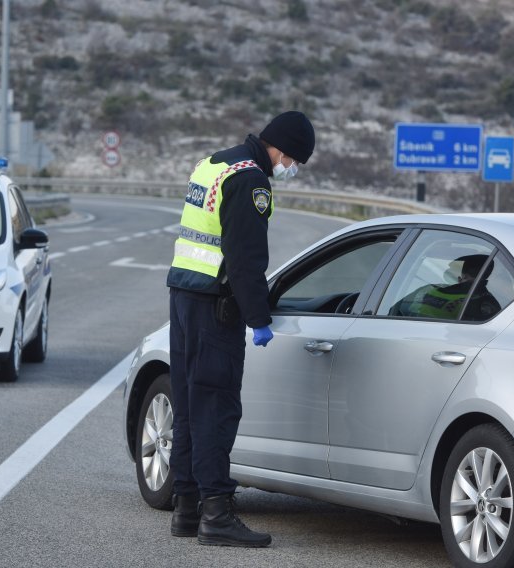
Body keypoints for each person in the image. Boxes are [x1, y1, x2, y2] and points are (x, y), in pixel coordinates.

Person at [166, 111, 315, 547]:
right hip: (216, 306)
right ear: (283, 150)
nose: (293, 169)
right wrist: (259, 319)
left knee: (191, 404)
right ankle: (216, 513)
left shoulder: (214, 162)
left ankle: (186, 506)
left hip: (182, 297)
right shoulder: (252, 181)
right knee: (217, 406)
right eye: (296, 161)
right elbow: (245, 258)